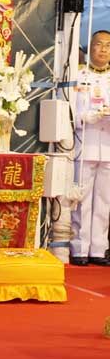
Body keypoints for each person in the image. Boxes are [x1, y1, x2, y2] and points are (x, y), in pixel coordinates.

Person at [71, 29, 110, 266]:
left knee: (105, 201)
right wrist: (86, 117)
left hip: (108, 147)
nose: (103, 49)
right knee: (82, 199)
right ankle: (79, 247)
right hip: (85, 144)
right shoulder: (79, 75)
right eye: (98, 44)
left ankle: (99, 248)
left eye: (107, 45)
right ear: (90, 47)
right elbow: (71, 111)